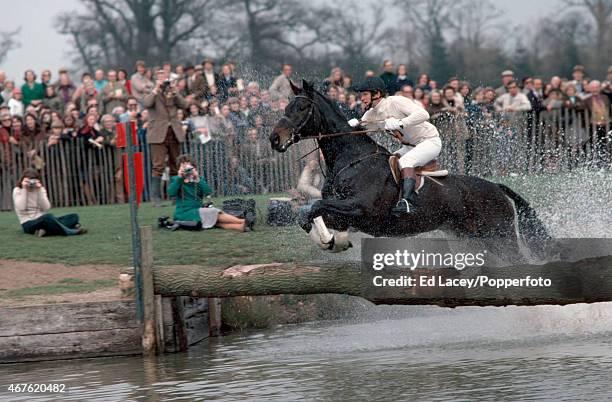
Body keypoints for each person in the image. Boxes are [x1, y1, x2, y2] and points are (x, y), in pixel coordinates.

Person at [349, 76, 442, 215]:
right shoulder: (370, 114)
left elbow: (424, 114)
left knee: (406, 161)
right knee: (389, 162)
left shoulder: (396, 101)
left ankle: (408, 202)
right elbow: (361, 126)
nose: (361, 98)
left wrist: (401, 123)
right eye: (361, 95)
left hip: (429, 141)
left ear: (377, 94)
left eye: (365, 94)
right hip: (411, 146)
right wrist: (351, 124)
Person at [166, 154, 253, 232]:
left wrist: (197, 179)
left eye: (189, 167)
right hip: (184, 213)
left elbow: (208, 192)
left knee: (216, 222)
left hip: (197, 211)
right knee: (213, 212)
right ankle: (244, 221)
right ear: (179, 168)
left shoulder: (198, 180)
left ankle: (241, 227)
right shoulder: (176, 180)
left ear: (194, 168)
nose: (187, 170)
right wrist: (179, 178)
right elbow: (171, 193)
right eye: (183, 167)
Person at [144, 69, 190, 207]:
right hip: (158, 134)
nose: (163, 79)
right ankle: (156, 199)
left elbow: (185, 105)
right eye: (160, 76)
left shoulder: (172, 91)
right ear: (155, 78)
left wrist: (176, 92)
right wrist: (156, 89)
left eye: (165, 76)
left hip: (174, 132)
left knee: (175, 166)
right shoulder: (151, 90)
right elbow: (146, 103)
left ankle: (175, 196)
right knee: (158, 166)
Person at [13, 168, 87, 237]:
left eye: (33, 180)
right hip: (28, 223)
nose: (31, 183)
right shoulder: (18, 190)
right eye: (29, 181)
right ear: (23, 180)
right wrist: (24, 189)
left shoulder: (40, 189)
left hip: (44, 220)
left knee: (74, 216)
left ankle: (45, 232)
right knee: (48, 217)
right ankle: (69, 231)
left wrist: (39, 191)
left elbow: (46, 207)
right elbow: (21, 208)